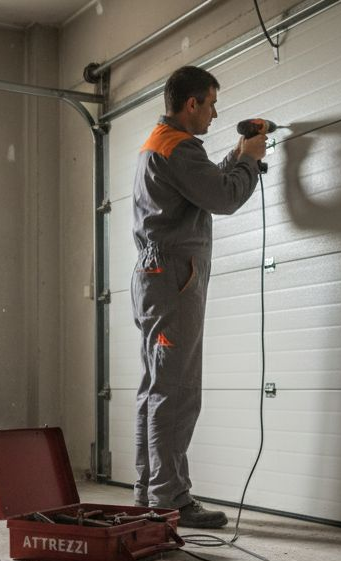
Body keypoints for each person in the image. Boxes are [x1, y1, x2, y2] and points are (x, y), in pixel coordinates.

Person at [131, 65, 268, 528]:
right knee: (177, 390)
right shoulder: (181, 148)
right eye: (211, 103)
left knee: (157, 387)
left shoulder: (162, 142)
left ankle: (151, 492)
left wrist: (239, 153)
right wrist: (250, 158)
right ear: (192, 103)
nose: (214, 113)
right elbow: (225, 198)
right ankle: (170, 498)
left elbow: (206, 185)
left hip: (156, 275)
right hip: (174, 278)